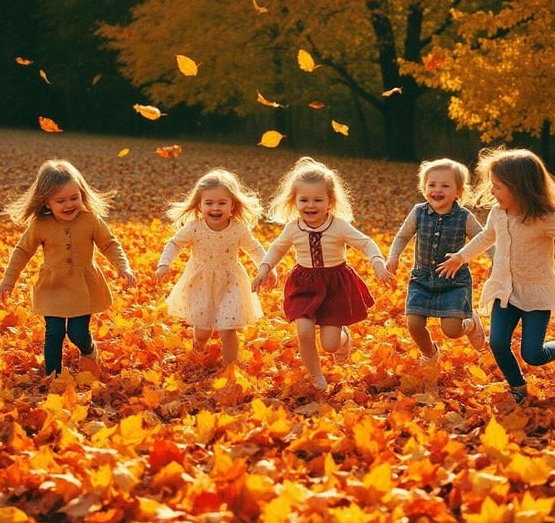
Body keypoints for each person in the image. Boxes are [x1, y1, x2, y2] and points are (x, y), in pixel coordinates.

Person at [437, 147, 555, 404]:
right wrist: (461, 256)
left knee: (533, 354)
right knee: (497, 343)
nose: (492, 192)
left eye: (498, 187)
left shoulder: (542, 219)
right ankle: (518, 387)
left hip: (536, 295)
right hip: (504, 292)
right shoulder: (497, 213)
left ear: (519, 187)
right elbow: (485, 237)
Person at [251, 156, 393, 391]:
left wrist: (377, 263)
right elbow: (277, 248)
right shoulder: (293, 228)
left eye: (318, 200)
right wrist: (265, 269)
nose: (310, 205)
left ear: (330, 201)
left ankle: (343, 340)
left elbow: (366, 243)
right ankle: (316, 375)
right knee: (304, 330)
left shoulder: (338, 225)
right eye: (304, 200)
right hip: (304, 284)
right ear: (294, 201)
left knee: (330, 344)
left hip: (335, 285)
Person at [0, 159, 136, 378]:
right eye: (60, 200)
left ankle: (89, 349)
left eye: (74, 198)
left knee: (78, 333)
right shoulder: (40, 225)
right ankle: (53, 377)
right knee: (54, 333)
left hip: (82, 287)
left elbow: (109, 244)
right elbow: (22, 251)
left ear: (82, 194)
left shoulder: (90, 220)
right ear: (46, 203)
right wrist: (8, 281)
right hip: (53, 287)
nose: (69, 205)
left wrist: (123, 266)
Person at [155, 169, 274, 366]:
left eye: (221, 203)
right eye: (209, 203)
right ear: (200, 205)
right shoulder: (195, 228)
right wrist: (164, 264)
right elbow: (174, 243)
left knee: (228, 328)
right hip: (201, 282)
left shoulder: (238, 228)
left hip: (231, 282)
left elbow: (254, 248)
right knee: (203, 331)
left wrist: (266, 268)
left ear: (232, 205)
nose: (215, 208)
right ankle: (198, 347)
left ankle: (230, 368)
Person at [386, 158, 490, 367]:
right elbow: (402, 236)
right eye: (431, 185)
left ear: (458, 192)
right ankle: (430, 352)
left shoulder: (464, 217)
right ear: (424, 188)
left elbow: (484, 238)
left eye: (445, 185)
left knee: (451, 331)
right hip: (422, 279)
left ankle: (471, 324)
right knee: (414, 323)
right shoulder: (418, 212)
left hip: (454, 282)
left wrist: (496, 261)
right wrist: (393, 255)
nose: (437, 190)